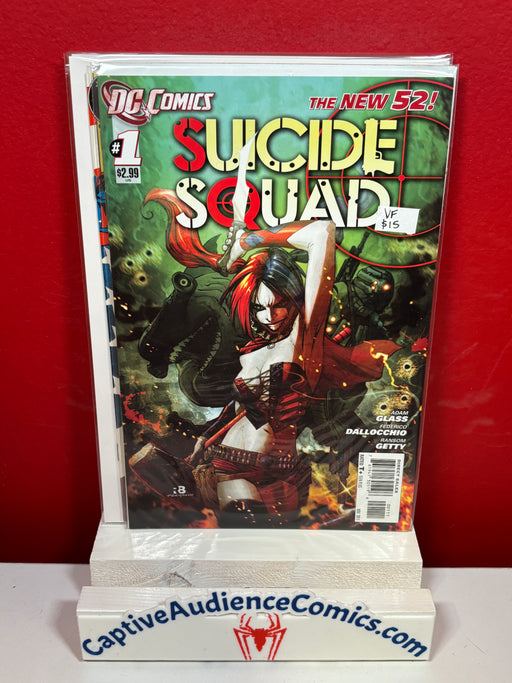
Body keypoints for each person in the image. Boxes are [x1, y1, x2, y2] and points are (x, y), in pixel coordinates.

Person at [144, 189, 399, 525]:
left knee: (270, 540)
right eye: (259, 307)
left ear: (294, 300)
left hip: (280, 470)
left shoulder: (302, 341)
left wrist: (246, 242)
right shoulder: (252, 350)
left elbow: (321, 233)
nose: (269, 316)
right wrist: (206, 437)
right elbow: (239, 409)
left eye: (279, 304)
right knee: (233, 527)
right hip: (226, 466)